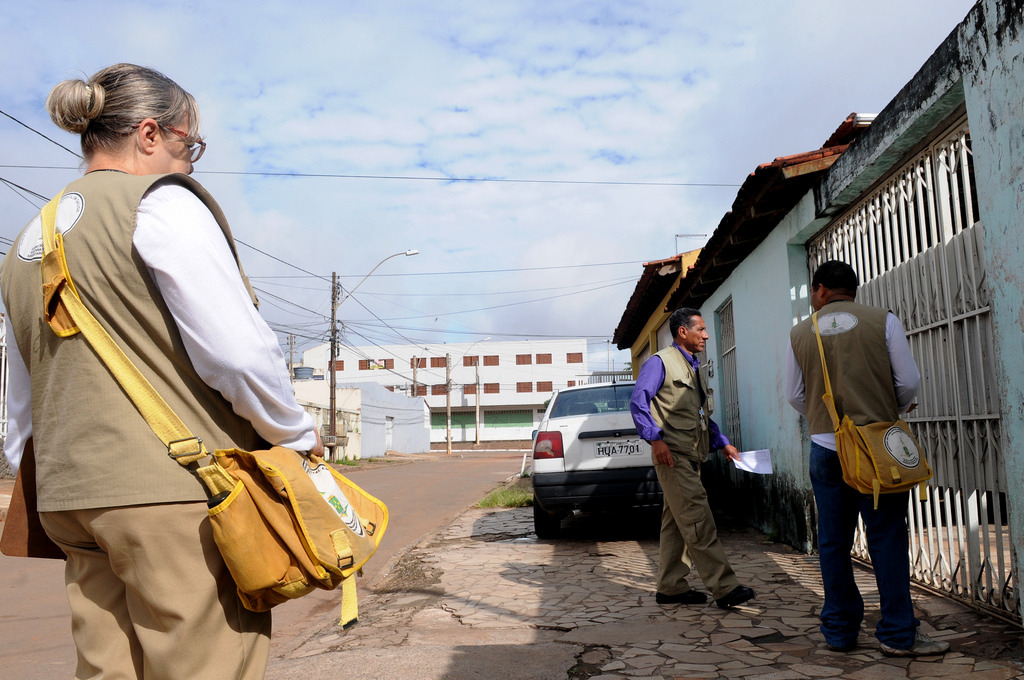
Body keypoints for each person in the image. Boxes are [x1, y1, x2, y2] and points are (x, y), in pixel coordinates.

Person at [0, 64, 323, 680]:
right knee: (206, 666)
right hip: (172, 493)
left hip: (68, 498)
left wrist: (42, 476)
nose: (191, 164)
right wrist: (296, 436)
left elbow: (21, 390)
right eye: (189, 145)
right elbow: (238, 354)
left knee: (108, 670)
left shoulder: (27, 239)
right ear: (150, 134)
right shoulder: (161, 204)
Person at [785, 260, 949, 657]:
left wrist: (825, 421)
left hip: (827, 449)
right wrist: (890, 408)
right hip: (877, 448)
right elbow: (908, 381)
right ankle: (897, 634)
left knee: (833, 541)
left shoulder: (800, 332)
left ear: (820, 290)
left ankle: (840, 631)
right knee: (887, 538)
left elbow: (793, 394)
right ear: (852, 290)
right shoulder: (884, 321)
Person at [630, 307, 756, 609]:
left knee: (676, 524)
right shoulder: (660, 362)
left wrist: (722, 443)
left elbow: (699, 415)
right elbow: (638, 402)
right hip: (673, 458)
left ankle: (671, 587)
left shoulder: (693, 366)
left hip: (691, 456)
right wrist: (655, 439)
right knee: (699, 520)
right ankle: (725, 588)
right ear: (682, 332)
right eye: (700, 329)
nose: (707, 335)